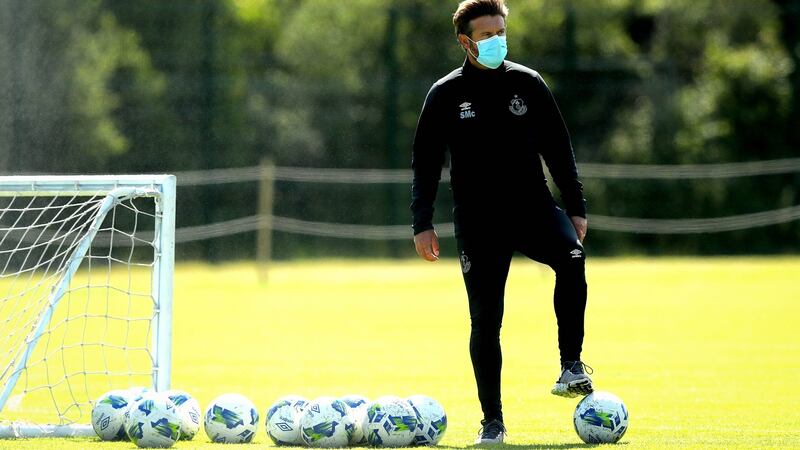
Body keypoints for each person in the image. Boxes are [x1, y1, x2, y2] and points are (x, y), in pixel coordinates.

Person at [410, 0, 594, 445]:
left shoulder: (528, 84)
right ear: (465, 41)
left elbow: (558, 147)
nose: (497, 40)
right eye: (487, 34)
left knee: (572, 257)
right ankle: (492, 422)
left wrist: (576, 206)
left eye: (501, 32)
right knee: (486, 320)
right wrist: (422, 222)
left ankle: (571, 364)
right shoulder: (445, 94)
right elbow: (426, 163)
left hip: (533, 210)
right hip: (478, 223)